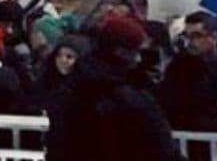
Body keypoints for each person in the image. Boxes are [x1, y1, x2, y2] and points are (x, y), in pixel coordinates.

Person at [45, 14, 178, 161]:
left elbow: (57, 144)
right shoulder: (133, 95)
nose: (140, 58)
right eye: (137, 51)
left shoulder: (70, 87)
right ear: (122, 52)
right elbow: (161, 146)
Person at [157, 11, 217, 133]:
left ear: (214, 37)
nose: (190, 42)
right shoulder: (178, 68)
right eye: (187, 36)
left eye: (197, 36)